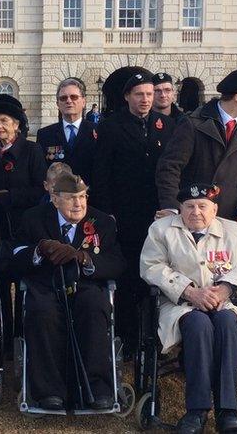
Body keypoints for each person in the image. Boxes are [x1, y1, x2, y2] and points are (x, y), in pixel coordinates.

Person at [140, 183, 237, 434]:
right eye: (189, 206)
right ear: (180, 208)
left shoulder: (236, 233)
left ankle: (228, 411)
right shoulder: (161, 230)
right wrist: (189, 291)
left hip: (226, 303)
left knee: (226, 323)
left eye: (203, 206)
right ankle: (197, 411)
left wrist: (226, 287)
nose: (196, 212)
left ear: (215, 209)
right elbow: (151, 266)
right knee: (198, 324)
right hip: (181, 304)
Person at [12, 173, 124, 411]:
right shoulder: (33, 219)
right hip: (46, 284)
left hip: (86, 285)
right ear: (54, 199)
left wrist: (85, 259)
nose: (79, 204)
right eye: (71, 198)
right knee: (41, 311)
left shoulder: (102, 221)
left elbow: (116, 263)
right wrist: (39, 250)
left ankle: (98, 388)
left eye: (83, 196)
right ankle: (49, 391)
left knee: (95, 307)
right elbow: (12, 257)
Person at [92, 71, 175, 353]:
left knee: (160, 273)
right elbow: (100, 173)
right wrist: (107, 212)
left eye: (150, 94)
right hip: (125, 215)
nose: (146, 99)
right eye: (139, 94)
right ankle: (127, 335)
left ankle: (155, 332)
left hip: (158, 214)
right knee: (129, 275)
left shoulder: (167, 125)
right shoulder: (111, 126)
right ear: (127, 96)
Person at [155, 69, 237, 230]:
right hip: (194, 218)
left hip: (233, 220)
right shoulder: (193, 124)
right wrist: (173, 208)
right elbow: (169, 167)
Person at [0, 93, 47, 353]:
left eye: (4, 120)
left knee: (25, 285)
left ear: (17, 124)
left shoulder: (32, 151)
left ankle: (22, 340)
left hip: (25, 228)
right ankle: (3, 342)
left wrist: (5, 198)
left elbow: (40, 191)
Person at [36, 78, 98, 183]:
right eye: (63, 98)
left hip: (90, 195)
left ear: (83, 102)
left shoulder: (98, 131)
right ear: (58, 104)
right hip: (58, 196)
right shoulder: (45, 134)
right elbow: (42, 171)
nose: (69, 101)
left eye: (74, 97)